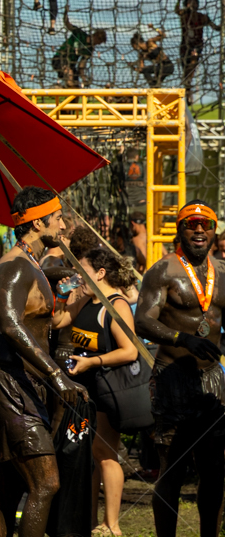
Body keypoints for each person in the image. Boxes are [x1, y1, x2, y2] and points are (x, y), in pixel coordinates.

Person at [0, 187, 86, 537]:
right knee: (45, 484)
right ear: (38, 222)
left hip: (18, 383)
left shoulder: (31, 266)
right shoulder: (15, 267)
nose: (65, 226)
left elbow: (39, 322)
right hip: (7, 382)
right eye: (58, 219)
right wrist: (56, 376)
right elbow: (9, 324)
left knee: (11, 492)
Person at [135, 200, 225, 537]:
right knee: (171, 469)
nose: (199, 231)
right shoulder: (164, 271)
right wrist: (182, 339)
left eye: (206, 225)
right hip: (172, 377)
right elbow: (142, 321)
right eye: (191, 224)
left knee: (214, 471)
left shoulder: (224, 273)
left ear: (214, 231)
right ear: (180, 229)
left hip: (212, 381)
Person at [50, 247, 138, 537]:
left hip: (106, 387)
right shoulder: (85, 299)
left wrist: (92, 361)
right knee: (88, 454)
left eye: (82, 271)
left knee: (105, 452)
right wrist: (64, 294)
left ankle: (112, 524)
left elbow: (130, 351)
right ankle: (87, 520)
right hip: (84, 389)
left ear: (101, 273)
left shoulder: (116, 305)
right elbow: (58, 322)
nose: (77, 276)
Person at [51, 8, 107, 87]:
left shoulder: (89, 50)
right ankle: (59, 87)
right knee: (69, 75)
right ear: (96, 37)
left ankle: (63, 89)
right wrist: (65, 14)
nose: (97, 44)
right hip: (60, 58)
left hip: (71, 64)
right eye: (99, 42)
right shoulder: (79, 34)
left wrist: (84, 79)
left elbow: (81, 65)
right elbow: (68, 24)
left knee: (76, 87)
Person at [176, 0, 217, 92]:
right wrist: (178, 1)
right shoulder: (184, 15)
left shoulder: (202, 17)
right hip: (184, 46)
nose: (192, 5)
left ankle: (188, 82)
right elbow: (177, 11)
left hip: (197, 45)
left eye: (194, 3)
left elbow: (215, 27)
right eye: (189, 3)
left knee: (193, 61)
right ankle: (187, 86)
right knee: (185, 68)